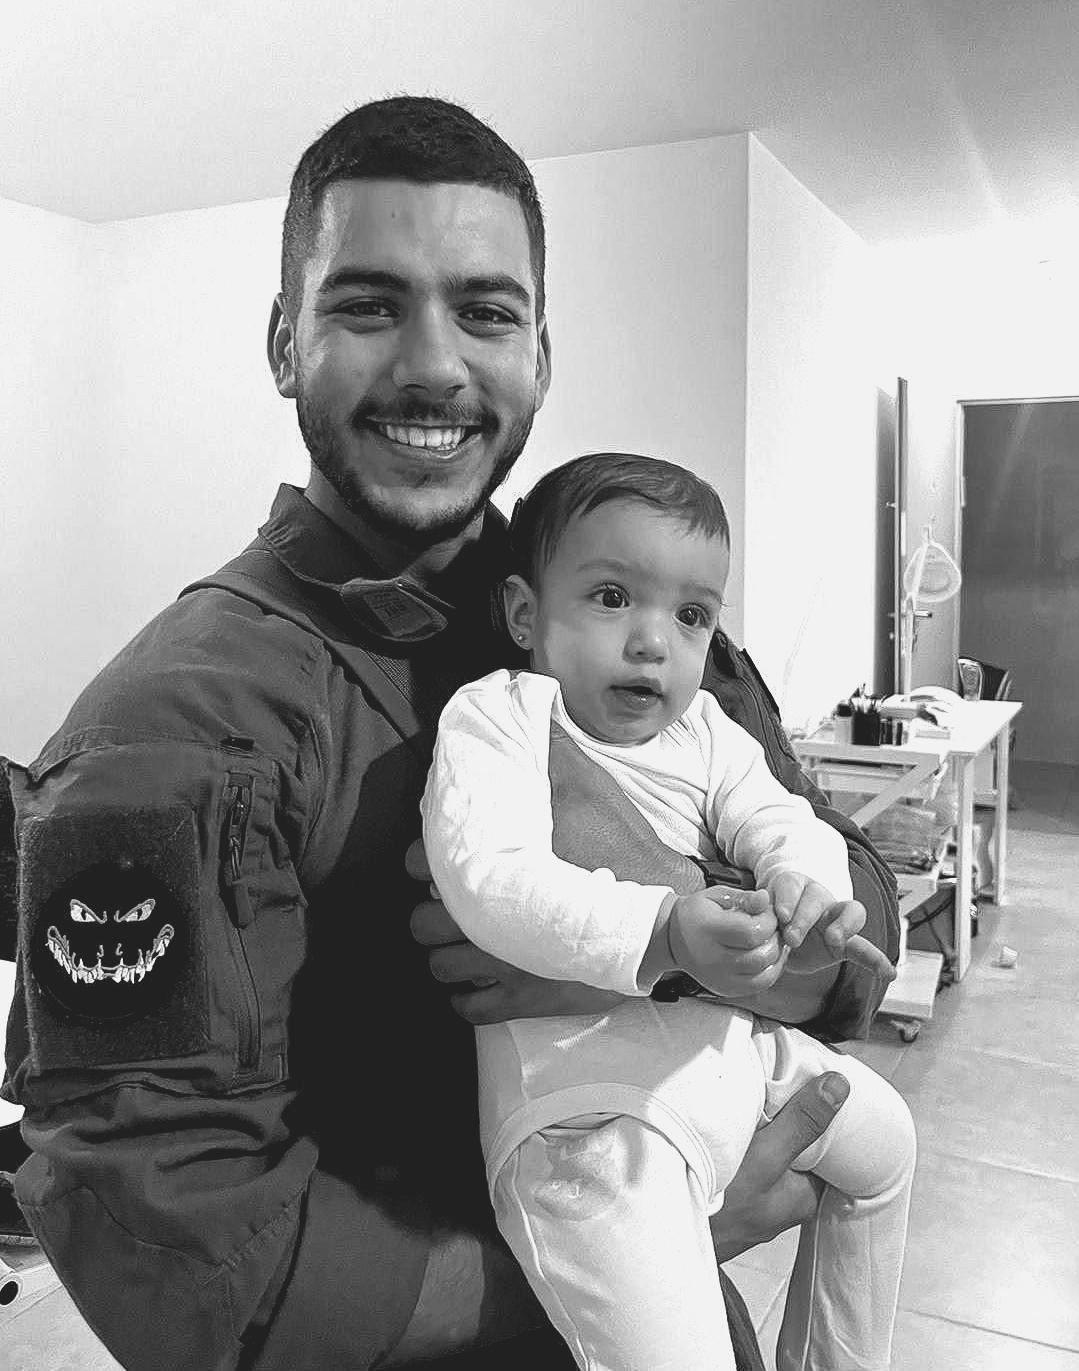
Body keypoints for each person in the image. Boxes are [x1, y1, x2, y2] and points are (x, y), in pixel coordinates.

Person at [0, 97, 900, 1371]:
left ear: (540, 353)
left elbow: (859, 899)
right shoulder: (172, 729)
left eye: (485, 312)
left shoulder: (615, 600)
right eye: (368, 305)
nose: (435, 365)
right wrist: (603, 1275)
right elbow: (168, 1246)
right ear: (282, 342)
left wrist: (684, 944)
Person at [421, 452, 915, 1371]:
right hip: (592, 1121)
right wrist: (662, 929)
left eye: (691, 614)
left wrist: (810, 890)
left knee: (885, 1147)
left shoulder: (702, 729)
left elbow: (780, 817)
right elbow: (488, 877)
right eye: (612, 598)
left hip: (728, 1054)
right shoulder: (499, 718)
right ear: (526, 613)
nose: (655, 640)